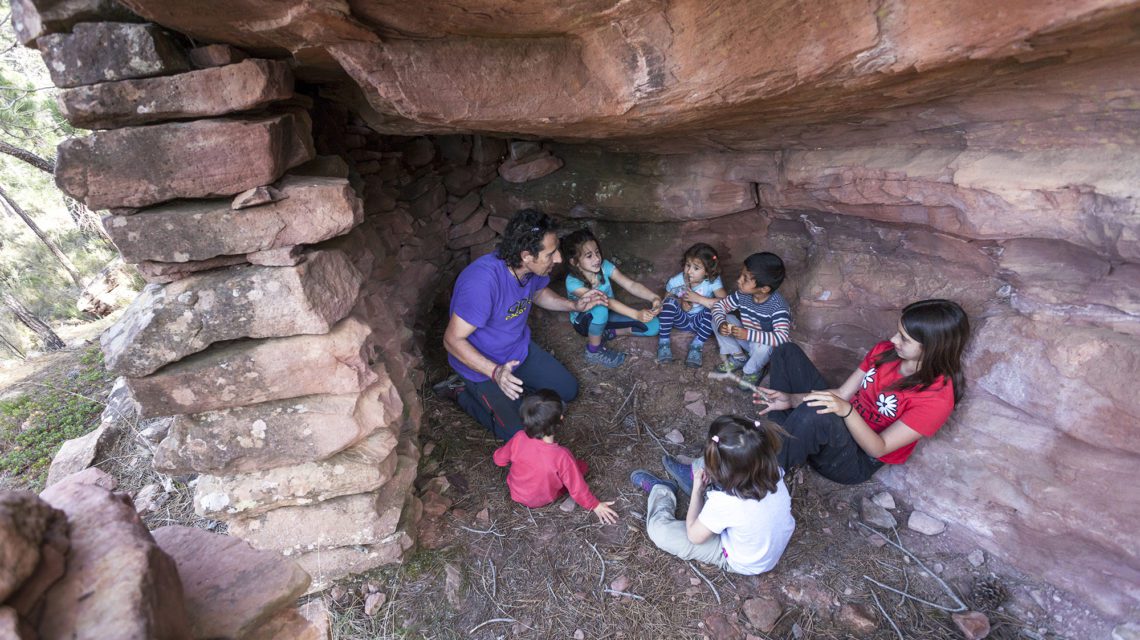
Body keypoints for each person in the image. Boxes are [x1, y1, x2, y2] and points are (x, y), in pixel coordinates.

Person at [751, 298, 970, 484]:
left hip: (852, 459)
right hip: (835, 423)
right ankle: (788, 440)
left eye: (904, 338)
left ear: (932, 348)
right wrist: (791, 399)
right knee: (787, 352)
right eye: (898, 332)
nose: (893, 339)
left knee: (816, 413)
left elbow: (879, 448)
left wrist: (846, 411)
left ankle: (765, 475)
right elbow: (842, 393)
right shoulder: (885, 352)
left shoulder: (937, 399)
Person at [438, 209, 607, 440]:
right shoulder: (481, 283)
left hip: (518, 352)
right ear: (527, 255)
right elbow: (452, 339)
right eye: (550, 253)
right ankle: (461, 392)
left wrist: (574, 306)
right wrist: (496, 373)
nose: (558, 258)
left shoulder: (529, 268)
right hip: (484, 368)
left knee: (568, 391)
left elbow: (537, 294)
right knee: (521, 435)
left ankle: (516, 394)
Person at [630, 416, 795, 575]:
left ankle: (662, 490)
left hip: (744, 560)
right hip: (761, 543)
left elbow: (694, 536)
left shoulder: (725, 503)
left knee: (661, 532)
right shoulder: (774, 471)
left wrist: (697, 492)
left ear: (725, 474)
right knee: (719, 456)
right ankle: (695, 476)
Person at [493, 389, 619, 524]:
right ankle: (570, 499)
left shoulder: (519, 437)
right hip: (540, 500)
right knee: (581, 466)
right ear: (560, 419)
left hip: (516, 492)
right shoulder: (562, 456)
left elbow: (498, 460)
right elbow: (578, 488)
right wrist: (595, 505)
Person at [561, 228, 662, 368]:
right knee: (600, 306)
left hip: (608, 314)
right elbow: (604, 300)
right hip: (585, 322)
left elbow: (631, 285)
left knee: (654, 326)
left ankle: (609, 333)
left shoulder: (605, 266)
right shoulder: (572, 282)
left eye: (597, 252)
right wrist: (636, 314)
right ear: (574, 262)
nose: (597, 259)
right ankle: (593, 351)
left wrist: (654, 297)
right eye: (589, 256)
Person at [711, 252, 791, 387]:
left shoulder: (778, 307)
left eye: (745, 279)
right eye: (741, 275)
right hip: (747, 339)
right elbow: (719, 306)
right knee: (719, 318)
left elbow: (782, 337)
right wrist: (722, 323)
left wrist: (748, 334)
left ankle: (752, 370)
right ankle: (738, 356)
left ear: (764, 289)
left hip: (764, 348)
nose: (739, 280)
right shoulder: (742, 295)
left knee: (764, 347)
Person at [655, 243, 728, 368]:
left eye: (696, 268)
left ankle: (697, 346)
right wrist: (680, 303)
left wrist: (699, 299)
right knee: (670, 302)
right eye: (688, 265)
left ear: (707, 272)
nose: (689, 271)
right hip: (681, 320)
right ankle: (664, 343)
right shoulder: (676, 281)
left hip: (701, 321)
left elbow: (726, 303)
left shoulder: (712, 281)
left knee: (714, 308)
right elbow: (665, 302)